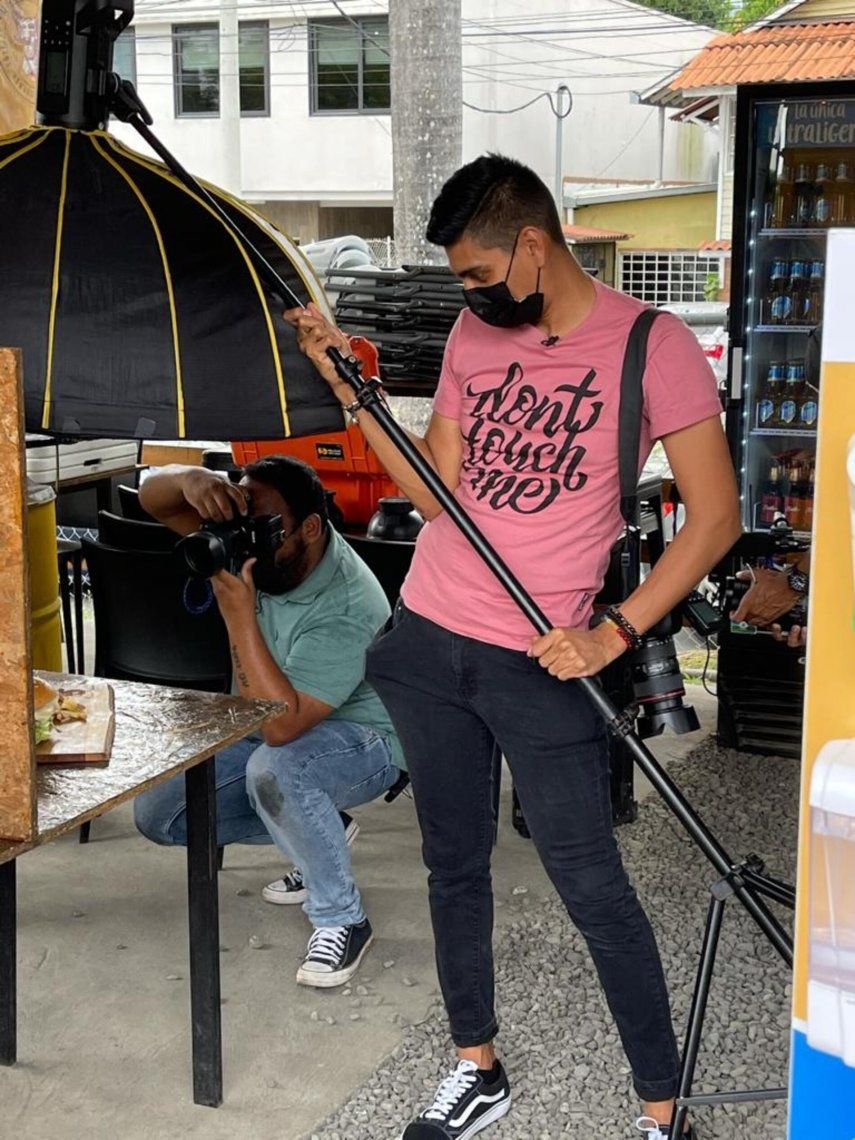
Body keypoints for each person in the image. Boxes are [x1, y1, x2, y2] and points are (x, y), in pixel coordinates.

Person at [286, 154, 741, 1139]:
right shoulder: (468, 334)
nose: (471, 298)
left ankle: (664, 1112)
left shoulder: (650, 347)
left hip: (545, 662)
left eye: (481, 277)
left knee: (593, 889)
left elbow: (715, 518)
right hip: (430, 636)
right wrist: (354, 395)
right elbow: (433, 492)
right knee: (455, 865)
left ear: (533, 244)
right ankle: (476, 1066)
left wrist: (612, 632)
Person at [133, 455, 405, 988]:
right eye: (244, 522)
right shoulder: (255, 550)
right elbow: (152, 499)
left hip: (367, 741)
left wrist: (238, 614)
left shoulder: (348, 601)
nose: (251, 542)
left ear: (310, 527)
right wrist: (190, 482)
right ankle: (318, 828)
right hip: (270, 726)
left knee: (278, 768)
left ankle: (342, 917)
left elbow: (284, 728)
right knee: (161, 813)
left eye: (266, 528)